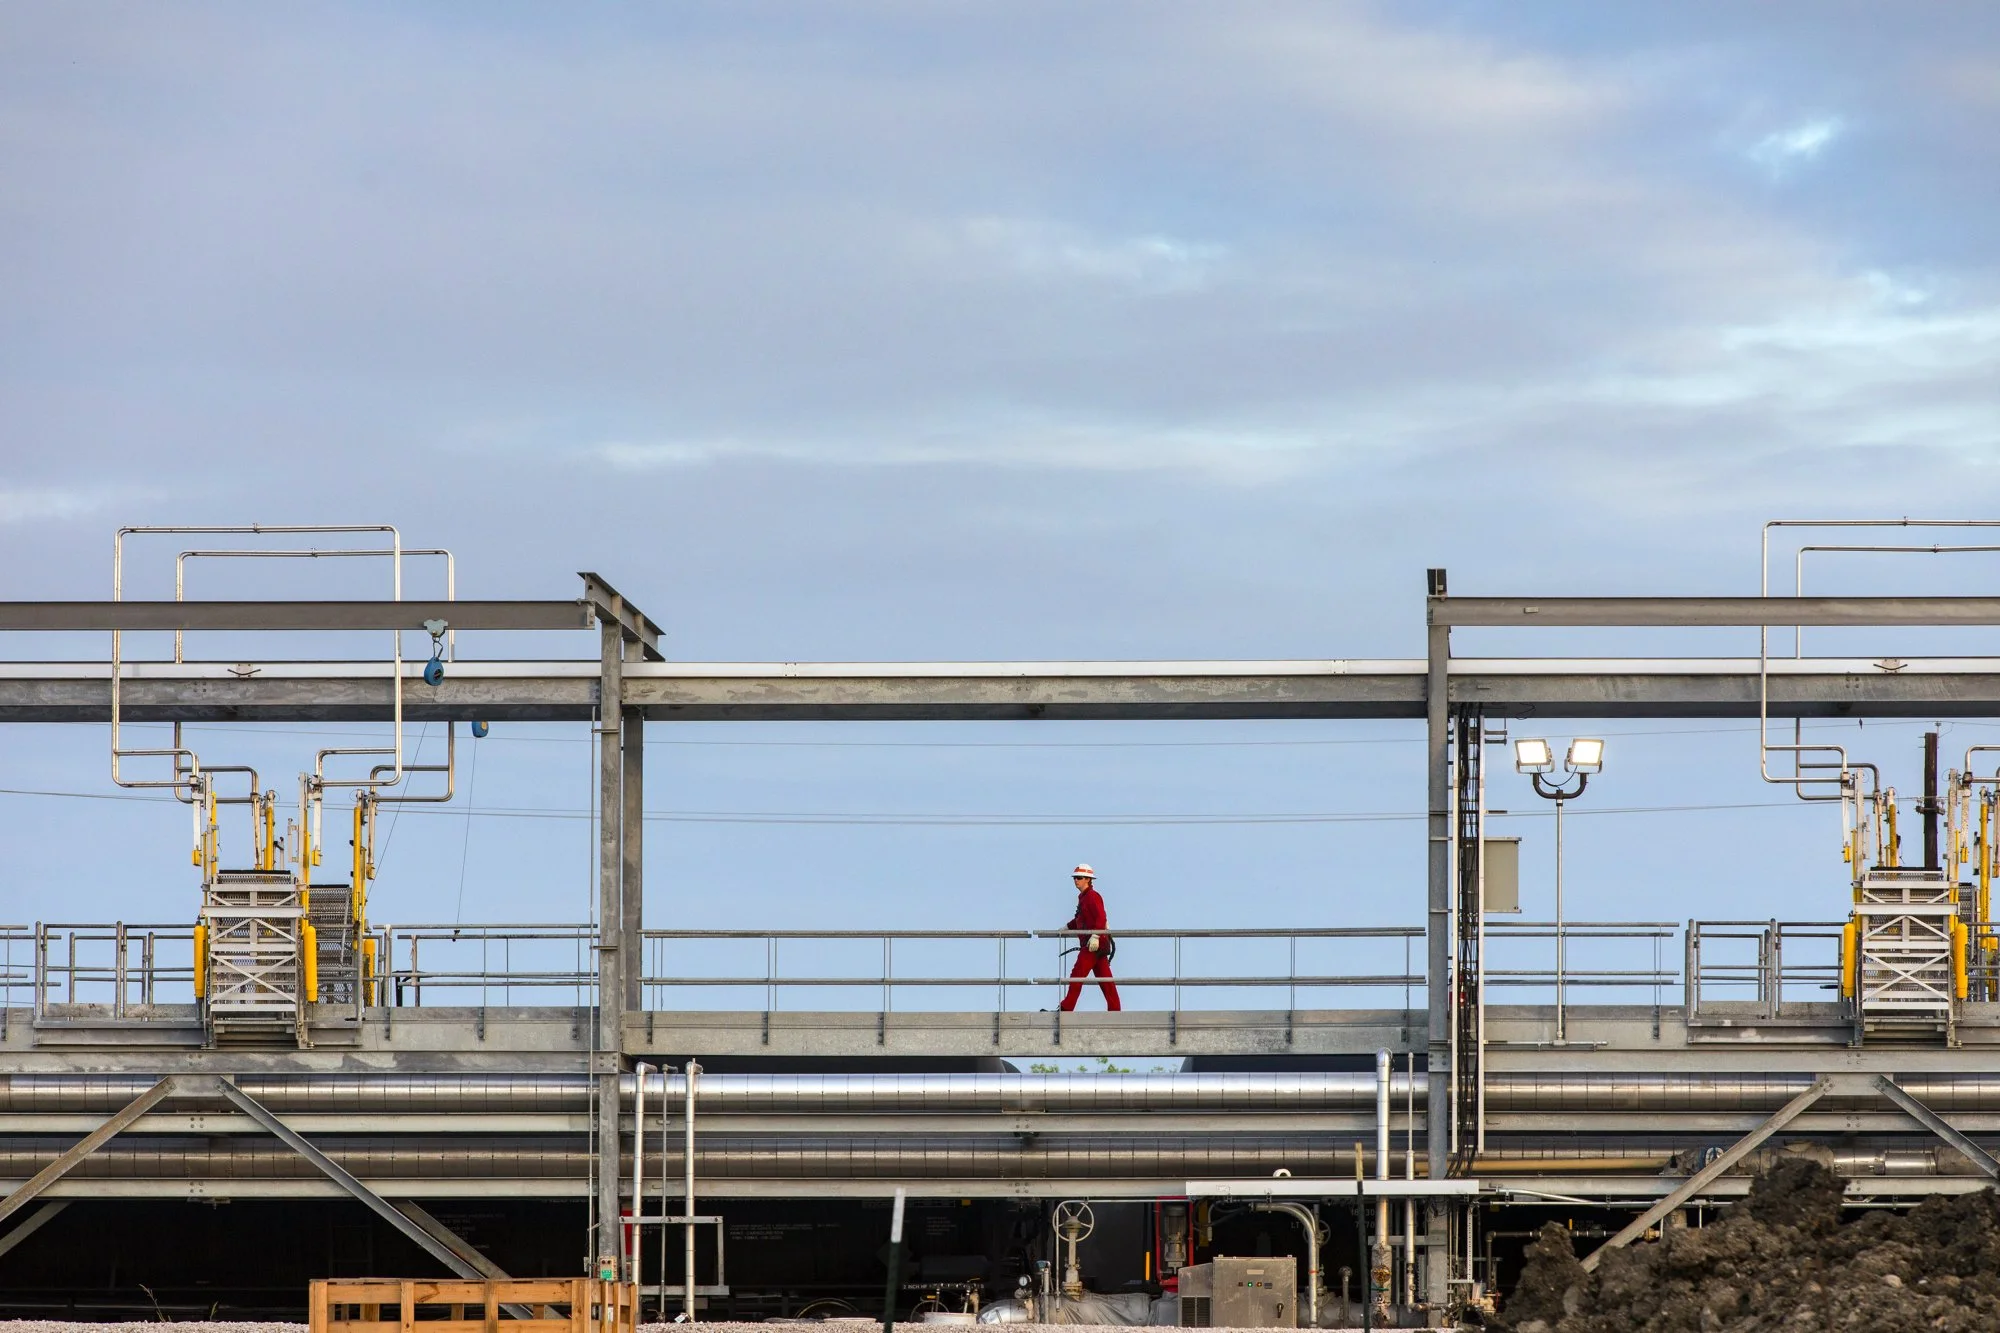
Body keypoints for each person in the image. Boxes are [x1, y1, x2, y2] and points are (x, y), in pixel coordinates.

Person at [1058, 863, 1121, 1012]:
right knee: (1105, 980)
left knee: (1077, 974)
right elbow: (1080, 919)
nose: (1076, 881)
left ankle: (1066, 1008)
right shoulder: (1084, 897)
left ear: (1088, 879)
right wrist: (1067, 927)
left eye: (1079, 878)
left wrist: (1095, 936)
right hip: (1097, 944)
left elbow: (1101, 917)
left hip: (1093, 945)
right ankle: (1115, 1010)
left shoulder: (1092, 896)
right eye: (1075, 878)